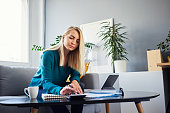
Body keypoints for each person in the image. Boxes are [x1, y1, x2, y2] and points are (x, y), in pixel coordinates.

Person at [29, 26, 85, 113]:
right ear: (63, 38)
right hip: (40, 88)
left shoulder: (73, 57)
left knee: (79, 86)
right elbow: (46, 83)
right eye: (71, 38)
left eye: (77, 41)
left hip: (57, 85)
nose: (74, 43)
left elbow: (76, 75)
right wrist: (60, 90)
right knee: (52, 95)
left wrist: (74, 81)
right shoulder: (48, 55)